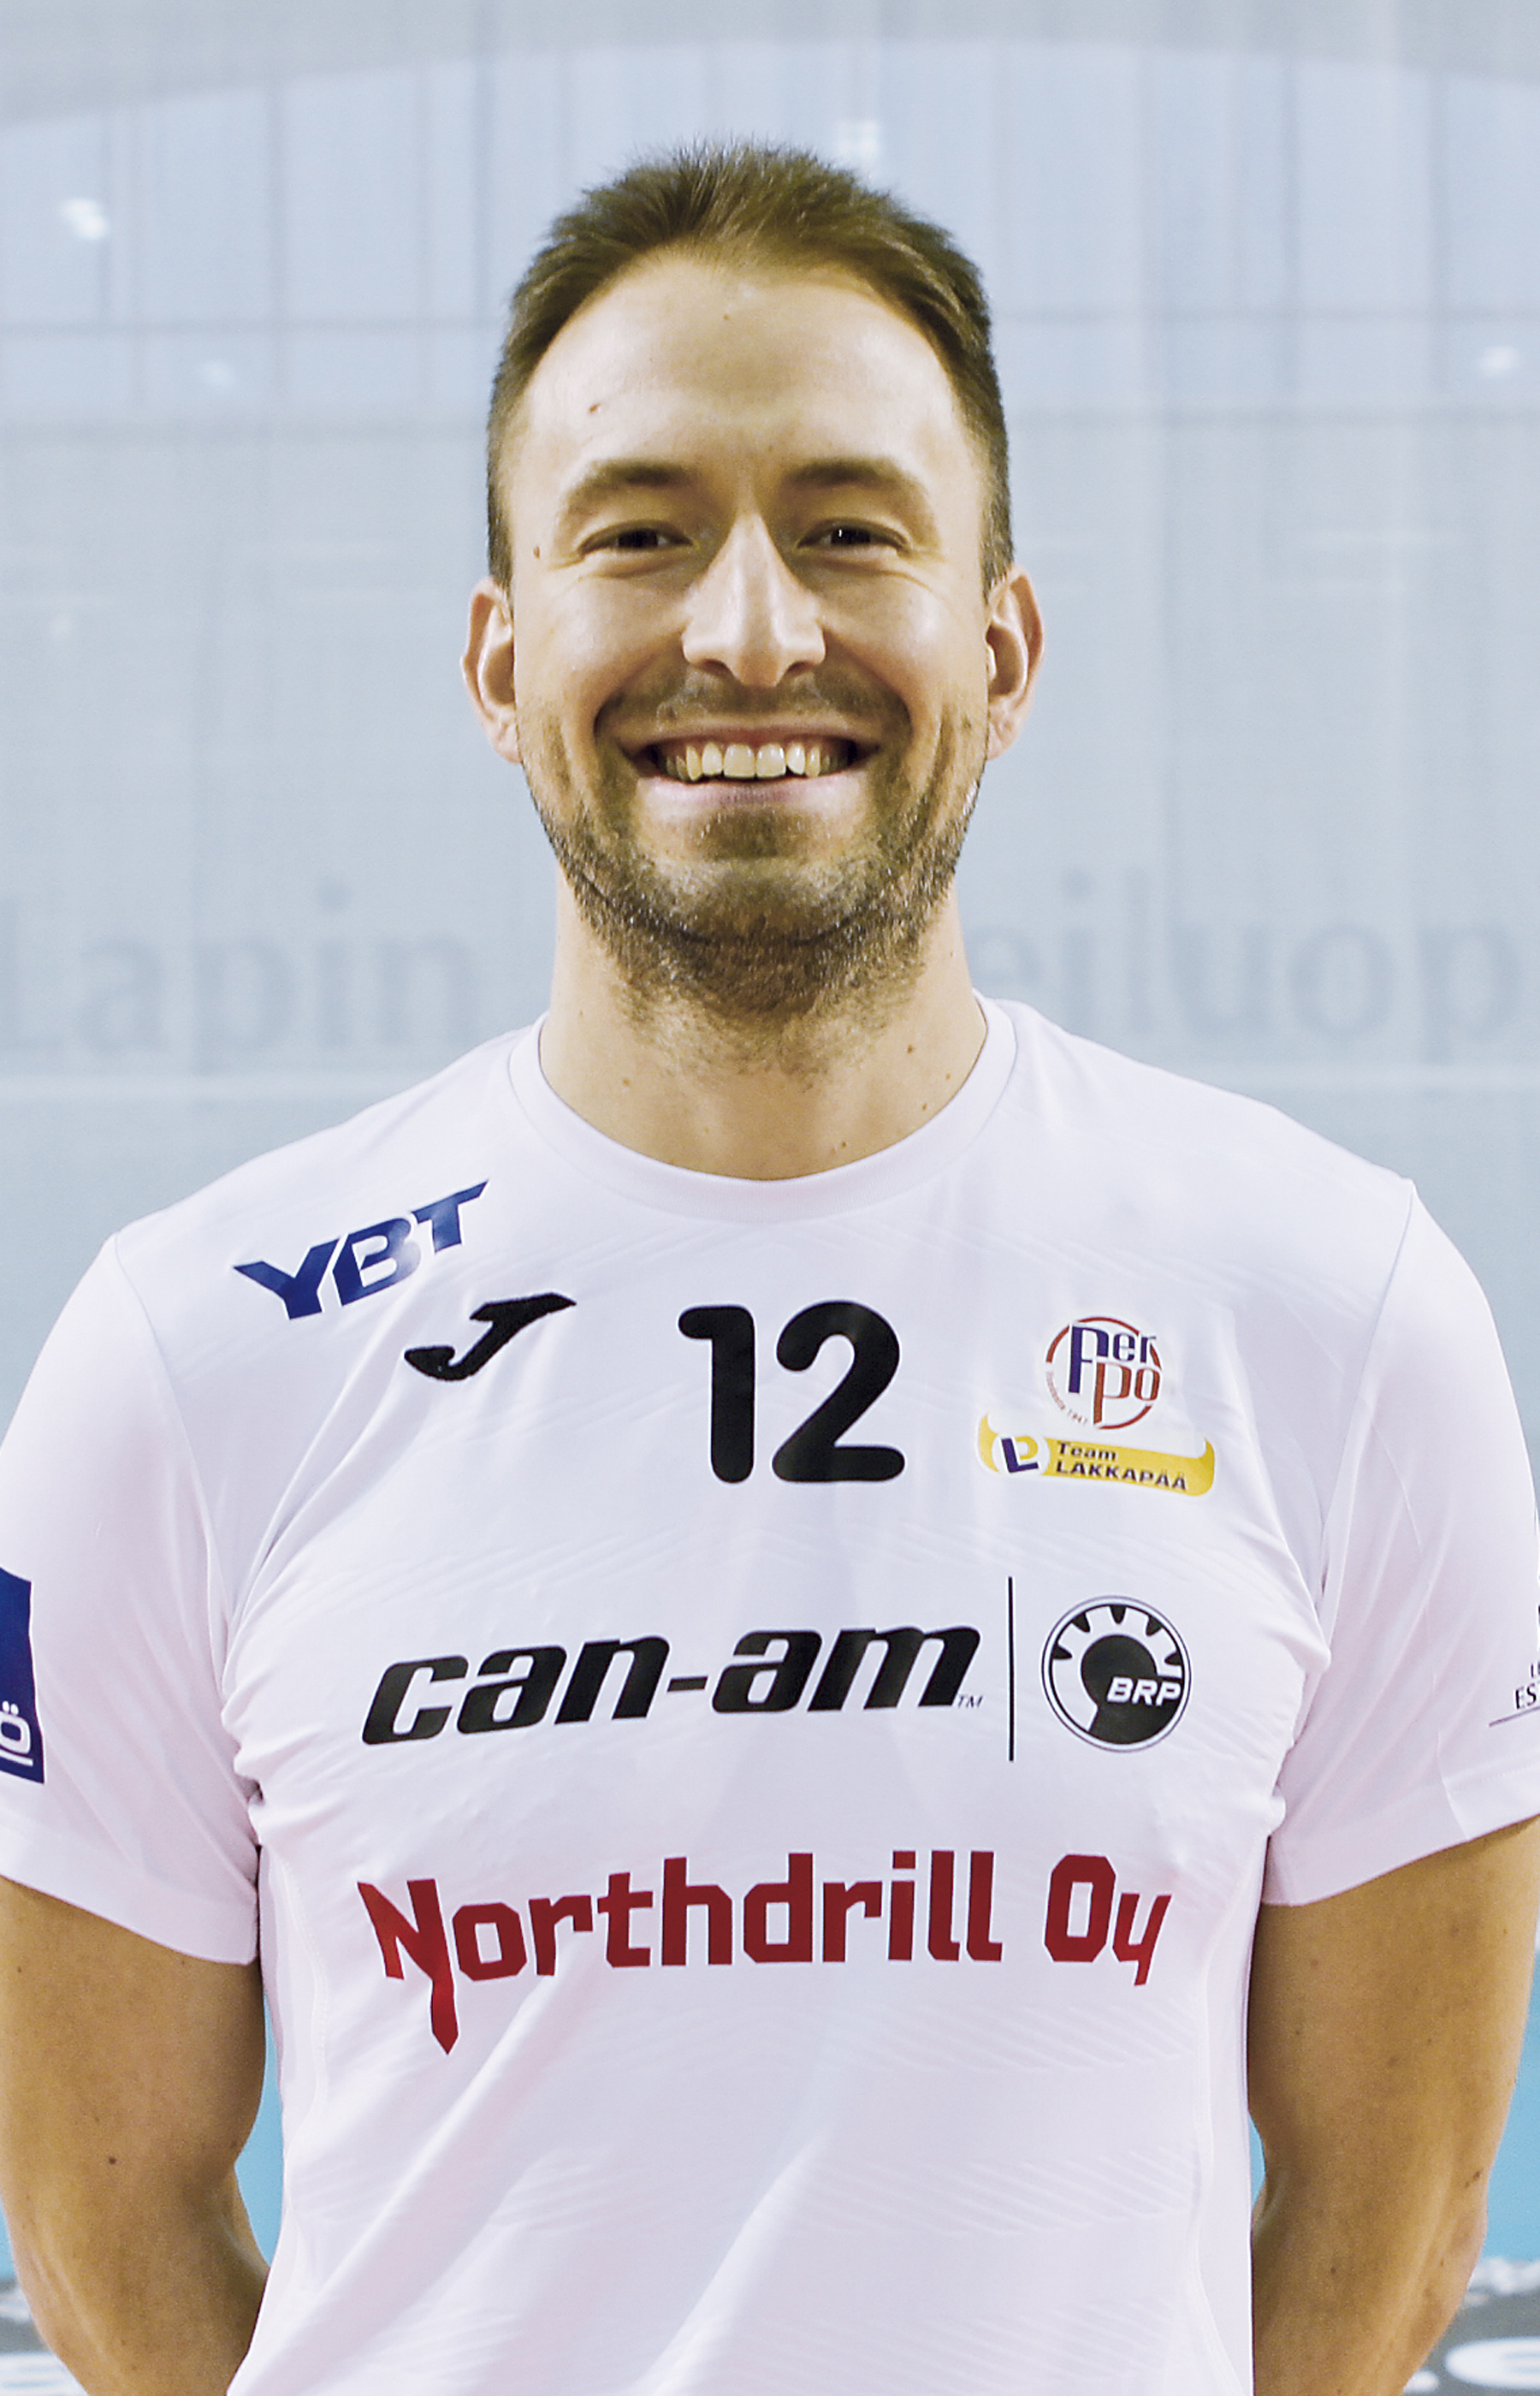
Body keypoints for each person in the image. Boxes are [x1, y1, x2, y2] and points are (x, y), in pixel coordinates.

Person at [0, 140, 1537, 2396]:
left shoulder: (1340, 1313)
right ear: (501, 656)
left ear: (1002, 650)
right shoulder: (189, 1353)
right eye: (639, 533)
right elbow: (106, 2211)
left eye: (850, 530)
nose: (746, 631)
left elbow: (1389, 2213)